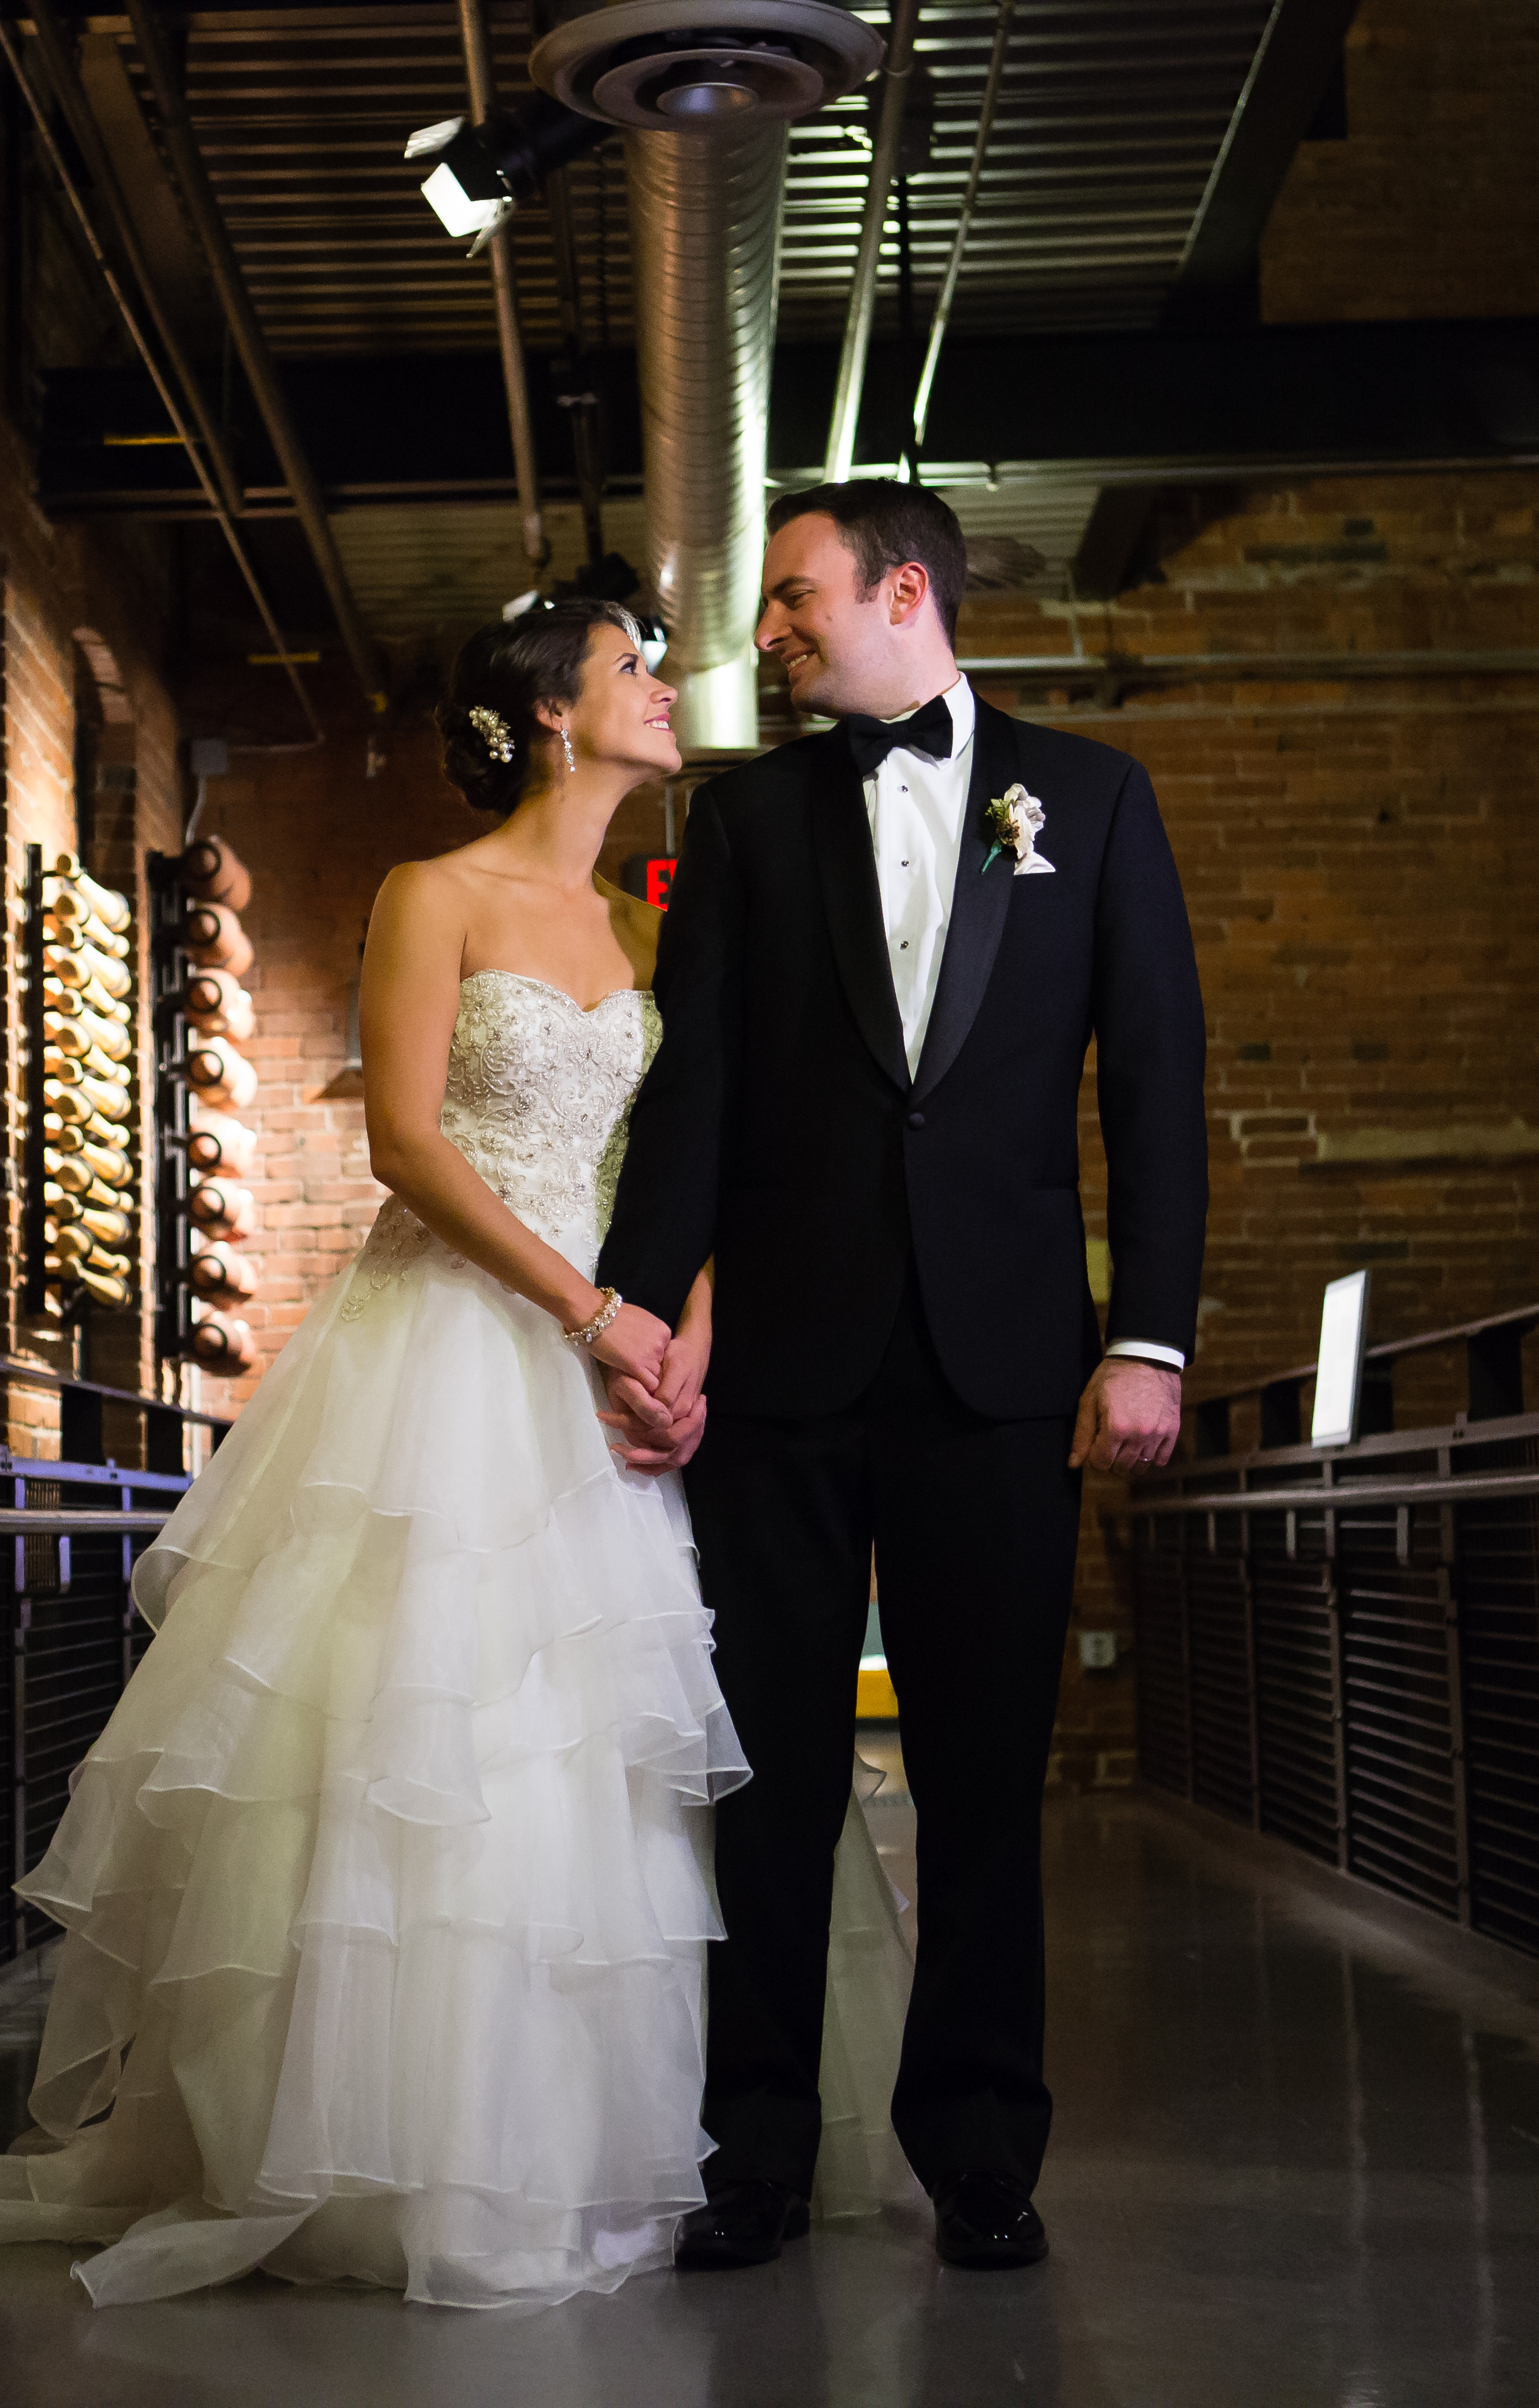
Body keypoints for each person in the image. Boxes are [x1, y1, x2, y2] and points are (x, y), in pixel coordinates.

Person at [0, 603, 911, 2310]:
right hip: (461, 1355)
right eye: (635, 669)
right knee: (431, 1738)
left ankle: (615, 2137)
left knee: (608, 1757)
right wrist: (594, 1316)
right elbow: (415, 1144)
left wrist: (691, 1342)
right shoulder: (429, 895)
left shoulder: (655, 932)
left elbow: (715, 1155)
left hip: (628, 1380)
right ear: (552, 716)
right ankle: (395, 2153)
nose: (669, 690)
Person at [595, 480, 1208, 2274]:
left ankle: (984, 2154)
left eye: (793, 601)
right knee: (766, 1778)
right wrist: (640, 1324)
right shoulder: (743, 820)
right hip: (781, 1378)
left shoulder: (1091, 800)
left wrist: (1148, 1334)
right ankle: (754, 2161)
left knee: (983, 1777)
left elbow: (1155, 1084)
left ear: (903, 593)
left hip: (1005, 1374)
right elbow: (692, 1093)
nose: (769, 635)